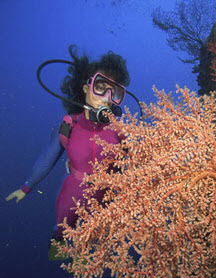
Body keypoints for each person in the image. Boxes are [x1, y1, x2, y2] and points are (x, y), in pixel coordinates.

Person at [6, 45, 130, 259]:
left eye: (115, 92)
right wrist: (26, 187)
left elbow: (138, 161)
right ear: (86, 88)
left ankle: (89, 260)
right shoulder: (69, 124)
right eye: (101, 86)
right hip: (72, 191)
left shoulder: (121, 129)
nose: (107, 96)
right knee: (62, 227)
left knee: (99, 238)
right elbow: (47, 158)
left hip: (108, 194)